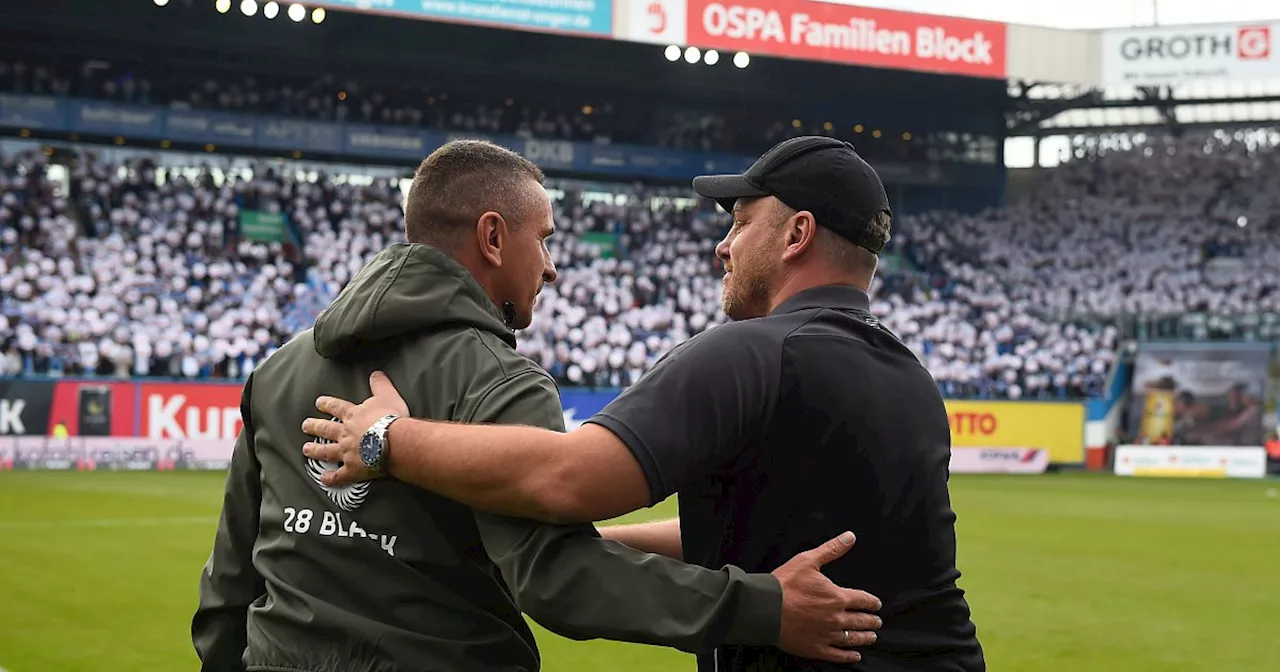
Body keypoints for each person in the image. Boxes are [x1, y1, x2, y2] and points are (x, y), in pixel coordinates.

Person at [193, 139, 882, 672]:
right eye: (544, 238)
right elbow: (559, 581)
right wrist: (762, 608)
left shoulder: (279, 368)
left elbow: (229, 581)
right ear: (493, 238)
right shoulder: (499, 381)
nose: (551, 266)